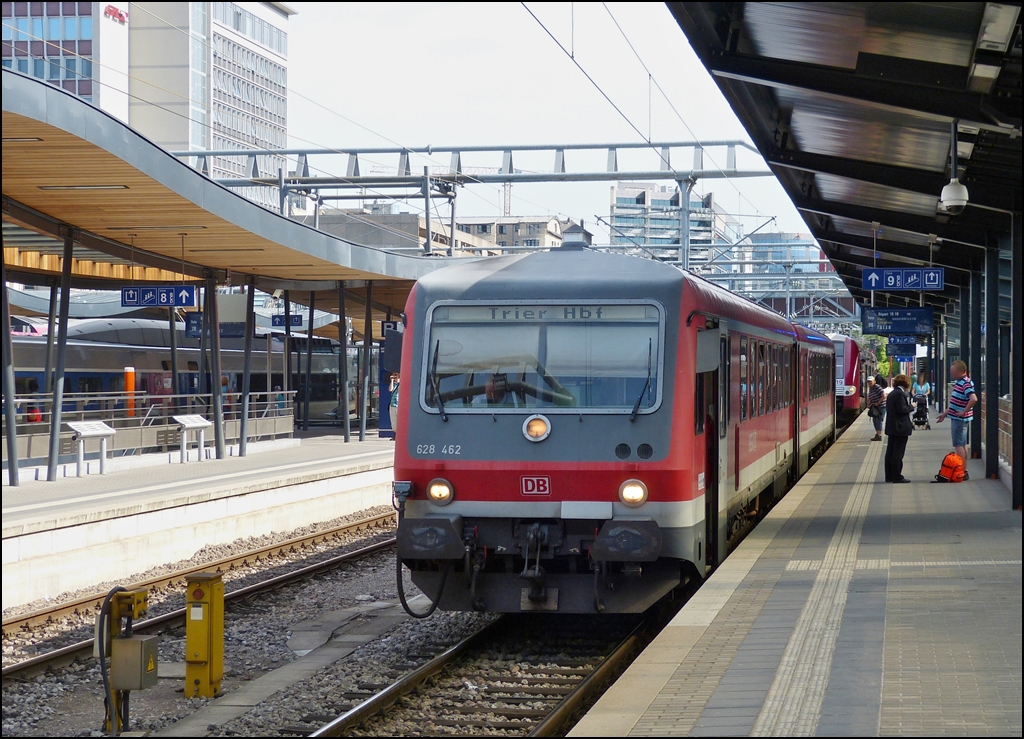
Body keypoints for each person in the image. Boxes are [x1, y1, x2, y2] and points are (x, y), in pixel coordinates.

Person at [936, 360, 976, 479]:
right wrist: (945, 413)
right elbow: (955, 402)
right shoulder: (961, 382)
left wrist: (963, 411)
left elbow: (973, 399)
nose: (951, 374)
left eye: (954, 372)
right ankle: (964, 470)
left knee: (958, 445)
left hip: (960, 418)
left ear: (961, 371)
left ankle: (961, 471)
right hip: (959, 417)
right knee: (963, 444)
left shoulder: (965, 383)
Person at [884, 374, 914, 483]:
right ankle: (897, 476)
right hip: (900, 428)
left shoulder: (892, 394)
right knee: (898, 453)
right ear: (906, 383)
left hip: (892, 427)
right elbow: (902, 409)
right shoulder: (900, 394)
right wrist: (912, 406)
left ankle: (889, 476)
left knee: (890, 452)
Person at [867, 374, 887, 442]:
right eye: (868, 381)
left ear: (874, 381)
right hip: (875, 407)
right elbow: (871, 397)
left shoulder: (877, 387)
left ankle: (879, 435)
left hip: (881, 407)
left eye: (871, 381)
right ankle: (877, 434)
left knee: (878, 420)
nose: (869, 383)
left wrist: (878, 402)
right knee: (875, 420)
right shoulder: (871, 388)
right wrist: (869, 403)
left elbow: (883, 395)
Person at [388, 373, 400, 439]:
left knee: (400, 421)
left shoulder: (402, 384)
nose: (395, 377)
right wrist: (392, 381)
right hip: (393, 405)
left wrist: (399, 381)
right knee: (393, 420)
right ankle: (395, 434)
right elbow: (390, 389)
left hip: (399, 405)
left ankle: (399, 435)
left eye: (397, 376)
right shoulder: (394, 384)